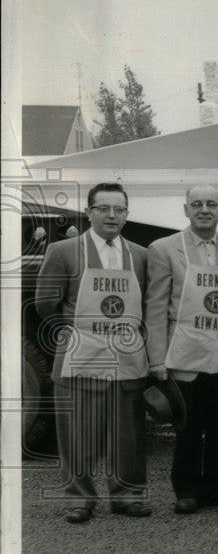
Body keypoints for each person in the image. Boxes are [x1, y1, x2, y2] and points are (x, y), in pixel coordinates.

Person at [35, 183, 151, 523]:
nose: (111, 215)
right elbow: (45, 304)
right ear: (89, 213)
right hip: (80, 354)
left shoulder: (141, 255)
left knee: (127, 433)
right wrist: (75, 333)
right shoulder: (63, 250)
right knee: (76, 432)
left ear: (127, 214)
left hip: (126, 356)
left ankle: (127, 495)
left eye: (119, 209)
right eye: (103, 208)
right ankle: (80, 499)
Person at [145, 185, 218, 514]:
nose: (204, 209)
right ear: (185, 210)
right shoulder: (164, 249)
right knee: (188, 424)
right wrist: (157, 359)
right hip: (185, 353)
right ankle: (187, 489)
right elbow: (156, 307)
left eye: (211, 204)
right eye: (197, 204)